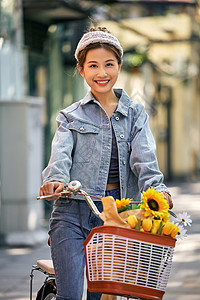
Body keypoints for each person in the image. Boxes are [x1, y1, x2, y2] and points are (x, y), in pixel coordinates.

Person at [40, 26, 173, 300]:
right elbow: (60, 157)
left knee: (102, 296)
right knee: (72, 296)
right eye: (93, 65)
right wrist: (54, 181)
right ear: (81, 70)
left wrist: (158, 192)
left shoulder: (136, 115)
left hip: (119, 215)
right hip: (73, 211)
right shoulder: (70, 116)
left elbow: (145, 161)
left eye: (109, 64)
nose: (102, 73)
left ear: (119, 66)